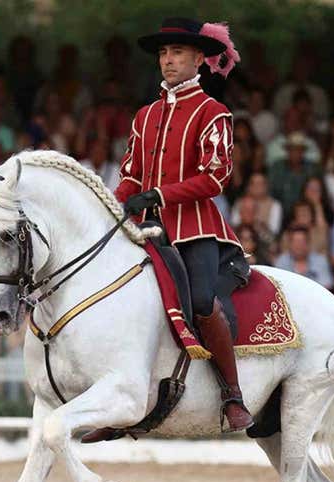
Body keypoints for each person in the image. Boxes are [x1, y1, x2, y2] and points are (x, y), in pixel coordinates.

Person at [108, 17, 254, 439]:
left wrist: (158, 195)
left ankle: (233, 393)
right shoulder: (145, 114)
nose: (168, 61)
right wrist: (113, 204)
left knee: (204, 301)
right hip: (147, 227)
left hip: (195, 228)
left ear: (199, 60)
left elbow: (216, 178)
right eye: (163, 54)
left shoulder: (214, 112)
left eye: (177, 53)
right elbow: (131, 176)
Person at [268, 130, 320, 212]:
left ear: (303, 152)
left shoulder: (312, 168)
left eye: (298, 150)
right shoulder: (277, 167)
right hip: (281, 212)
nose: (295, 153)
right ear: (287, 150)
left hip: (307, 212)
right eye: (292, 149)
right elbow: (270, 192)